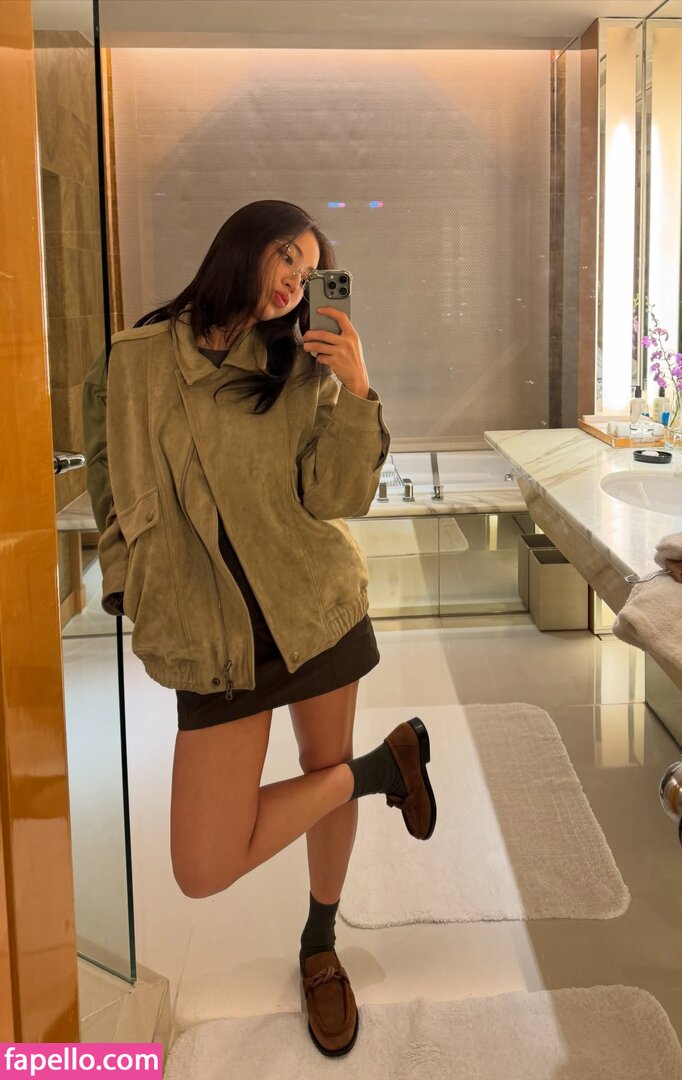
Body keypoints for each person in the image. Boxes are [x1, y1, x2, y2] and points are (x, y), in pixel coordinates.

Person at [82, 200, 437, 1059]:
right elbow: (108, 483)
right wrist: (131, 588)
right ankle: (383, 769)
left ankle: (321, 946)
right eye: (285, 255)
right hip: (209, 638)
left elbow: (337, 498)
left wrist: (358, 390)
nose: (293, 281)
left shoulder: (302, 366)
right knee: (203, 864)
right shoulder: (133, 360)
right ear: (239, 245)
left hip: (313, 610)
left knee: (318, 769)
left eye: (308, 270)